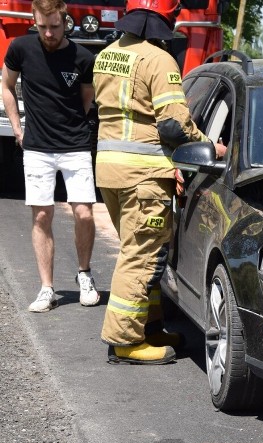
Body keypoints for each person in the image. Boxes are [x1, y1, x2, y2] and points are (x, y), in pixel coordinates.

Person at [93, 0, 226, 364]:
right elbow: (172, 124)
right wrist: (208, 145)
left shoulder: (107, 54)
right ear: (166, 15)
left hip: (109, 169)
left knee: (141, 251)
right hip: (143, 175)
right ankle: (125, 342)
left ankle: (147, 328)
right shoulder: (159, 59)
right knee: (141, 256)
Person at [2, 0, 100, 313]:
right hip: (37, 148)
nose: (48, 32)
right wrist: (18, 128)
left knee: (84, 212)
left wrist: (73, 127)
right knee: (42, 215)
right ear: (34, 20)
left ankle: (84, 275)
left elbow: (87, 99)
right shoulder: (20, 48)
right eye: (42, 26)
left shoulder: (82, 57)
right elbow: (6, 86)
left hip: (75, 146)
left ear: (65, 21)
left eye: (54, 26)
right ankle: (47, 288)